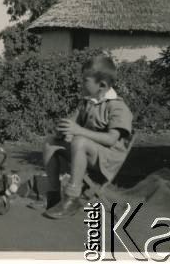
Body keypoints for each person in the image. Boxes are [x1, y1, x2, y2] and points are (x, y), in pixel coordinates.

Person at [42, 55, 133, 219]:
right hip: (86, 153)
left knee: (80, 141)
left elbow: (111, 139)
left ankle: (72, 197)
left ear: (102, 85)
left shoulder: (118, 107)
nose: (81, 83)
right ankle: (54, 195)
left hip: (107, 160)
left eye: (85, 81)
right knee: (51, 142)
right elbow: (73, 123)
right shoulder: (88, 102)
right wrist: (62, 130)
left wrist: (78, 131)